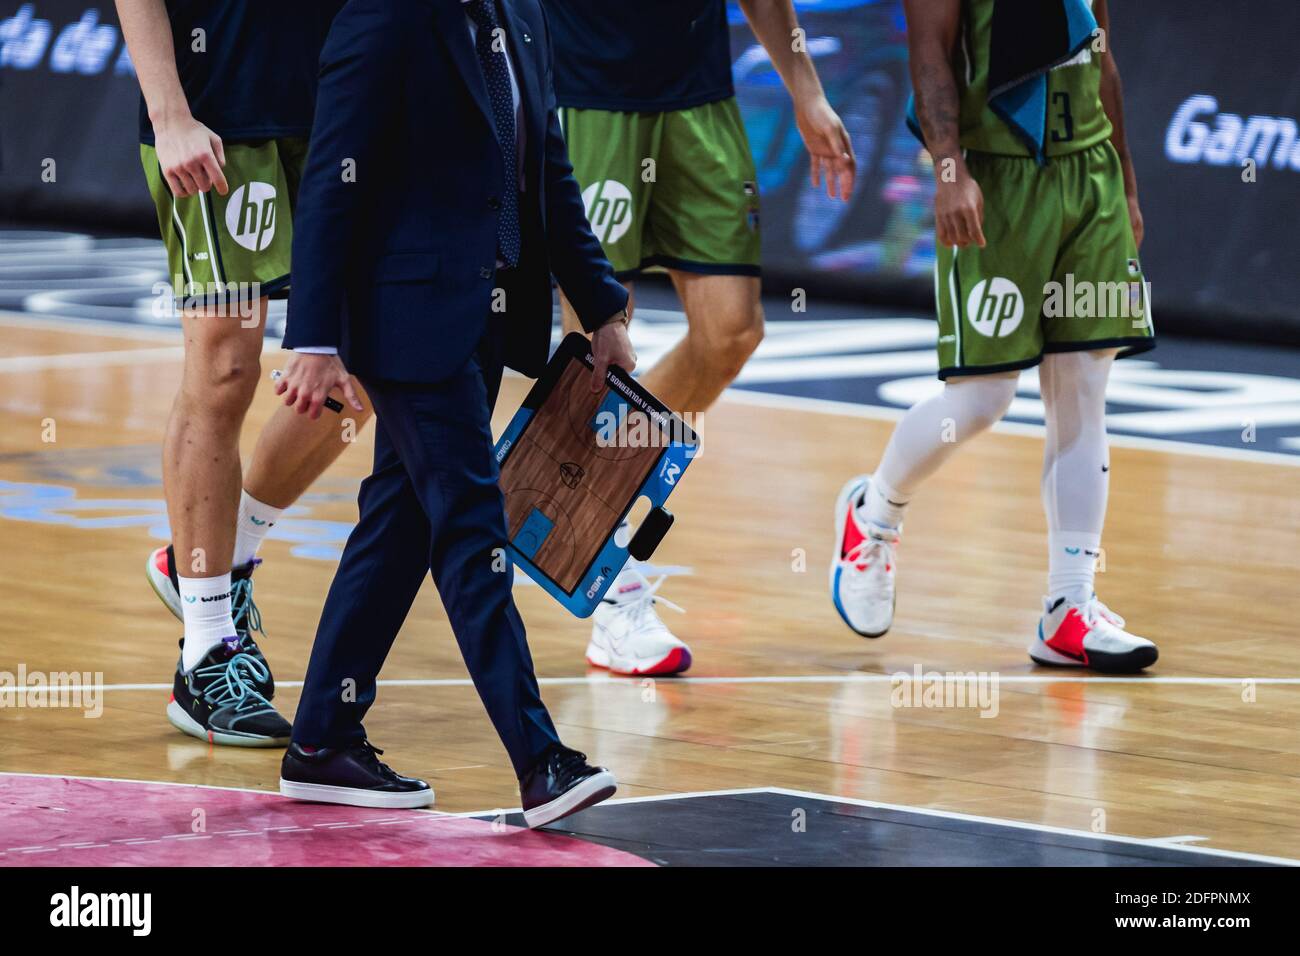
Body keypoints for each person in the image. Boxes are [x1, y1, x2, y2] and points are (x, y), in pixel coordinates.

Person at [273, 0, 629, 827]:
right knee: (473, 527)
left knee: (397, 527)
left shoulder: (527, 14)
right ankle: (539, 760)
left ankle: (321, 739)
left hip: (486, 318)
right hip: (403, 318)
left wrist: (602, 307)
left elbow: (547, 169)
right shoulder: (385, 17)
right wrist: (315, 336)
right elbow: (332, 174)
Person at [830, 0, 1158, 673]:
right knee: (980, 403)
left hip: (1086, 171)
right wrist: (949, 170)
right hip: (998, 175)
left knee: (1085, 391)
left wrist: (1123, 178)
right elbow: (930, 52)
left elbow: (1100, 45)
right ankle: (875, 513)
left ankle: (1069, 608)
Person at [545, 0, 856, 675]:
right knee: (601, 336)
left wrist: (806, 89)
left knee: (731, 332)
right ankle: (609, 582)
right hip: (586, 89)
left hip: (696, 95)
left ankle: (579, 491)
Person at [118, 0, 372, 746]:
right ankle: (206, 648)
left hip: (338, 106)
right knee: (227, 360)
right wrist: (169, 118)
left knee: (371, 362)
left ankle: (217, 554)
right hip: (217, 111)